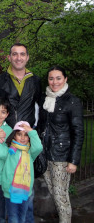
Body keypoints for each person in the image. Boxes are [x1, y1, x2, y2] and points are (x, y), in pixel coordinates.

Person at [0, 42, 42, 222]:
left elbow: (43, 109)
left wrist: (38, 132)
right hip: (6, 140)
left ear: (27, 57)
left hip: (25, 141)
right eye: (15, 54)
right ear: (9, 57)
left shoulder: (35, 81)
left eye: (22, 54)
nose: (19, 57)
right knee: (1, 186)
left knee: (27, 193)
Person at [37, 65, 84, 223]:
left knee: (60, 196)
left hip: (61, 156)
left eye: (58, 78)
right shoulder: (45, 99)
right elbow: (41, 126)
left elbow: (78, 132)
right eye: (51, 78)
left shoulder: (73, 101)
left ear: (65, 79)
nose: (54, 82)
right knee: (55, 193)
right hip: (44, 154)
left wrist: (73, 160)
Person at [0, 121, 43, 223]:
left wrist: (31, 131)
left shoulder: (30, 152)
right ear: (14, 136)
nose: (22, 138)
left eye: (26, 135)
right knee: (13, 217)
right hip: (10, 191)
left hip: (25, 191)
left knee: (22, 216)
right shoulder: (9, 151)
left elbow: (39, 147)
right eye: (19, 134)